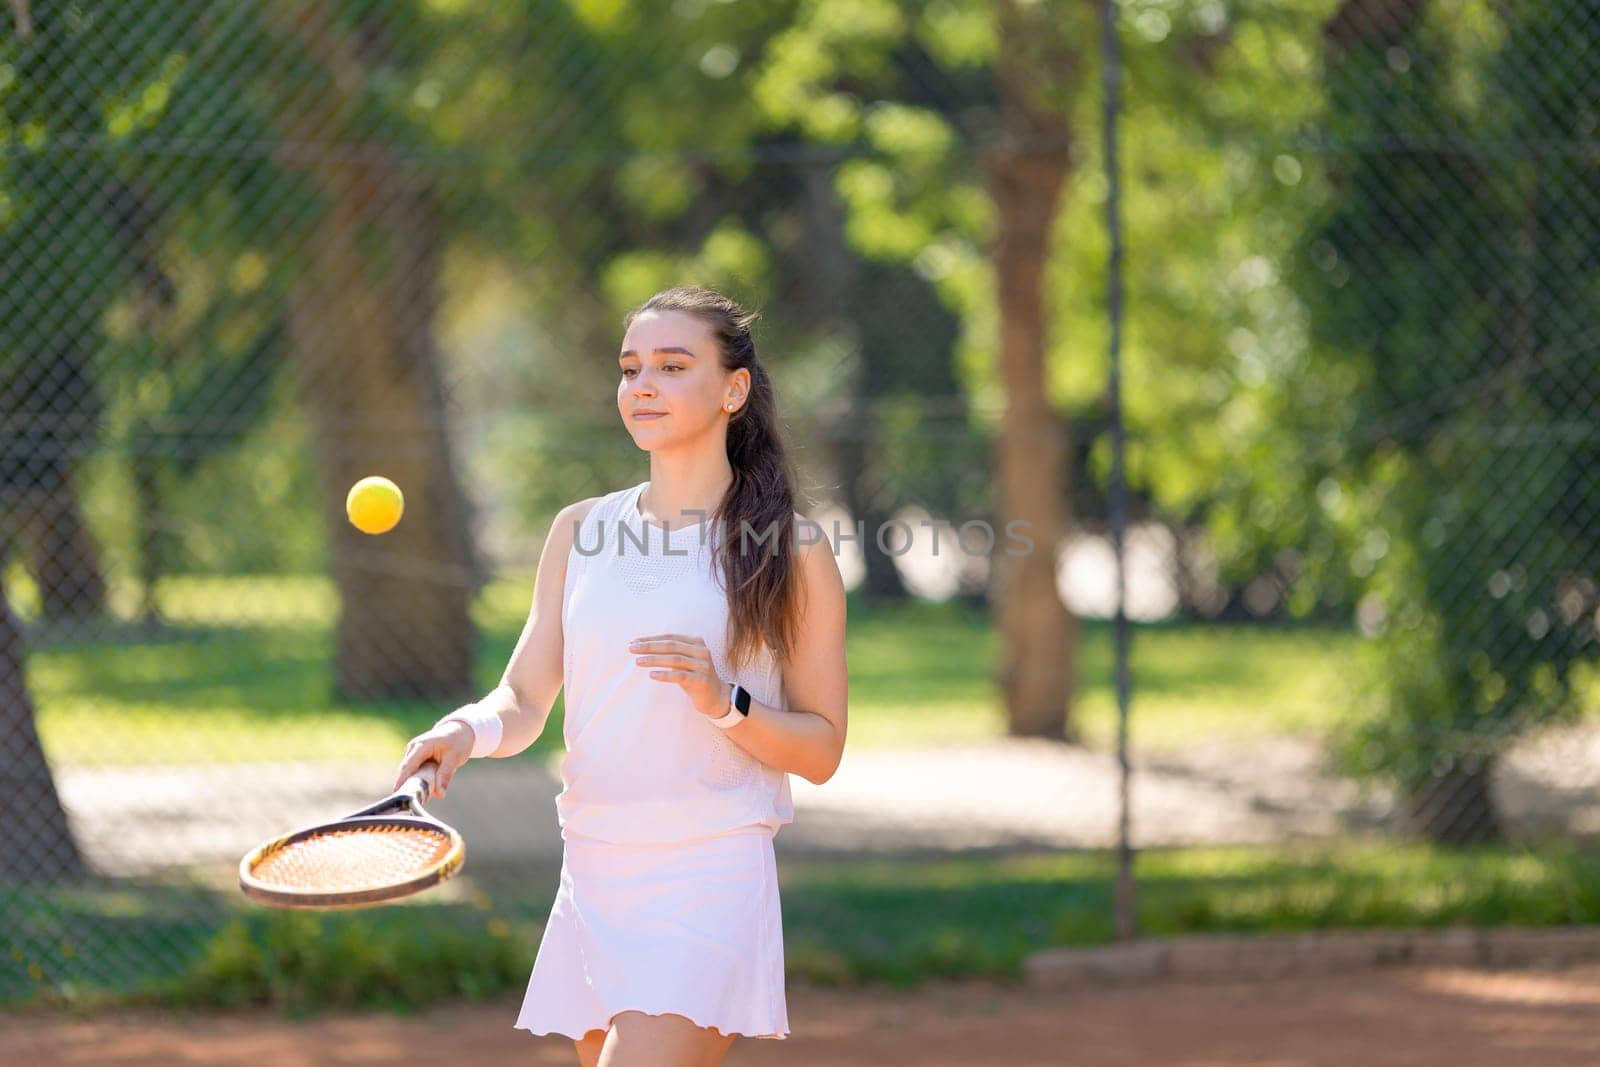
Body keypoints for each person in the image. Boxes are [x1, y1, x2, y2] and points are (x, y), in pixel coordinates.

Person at [393, 286, 849, 1066]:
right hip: (597, 864)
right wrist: (465, 729)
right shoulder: (581, 529)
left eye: (673, 366)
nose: (643, 385)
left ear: (733, 389)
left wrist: (724, 702)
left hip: (709, 867)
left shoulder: (792, 549)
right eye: (630, 367)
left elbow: (822, 748)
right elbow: (526, 697)